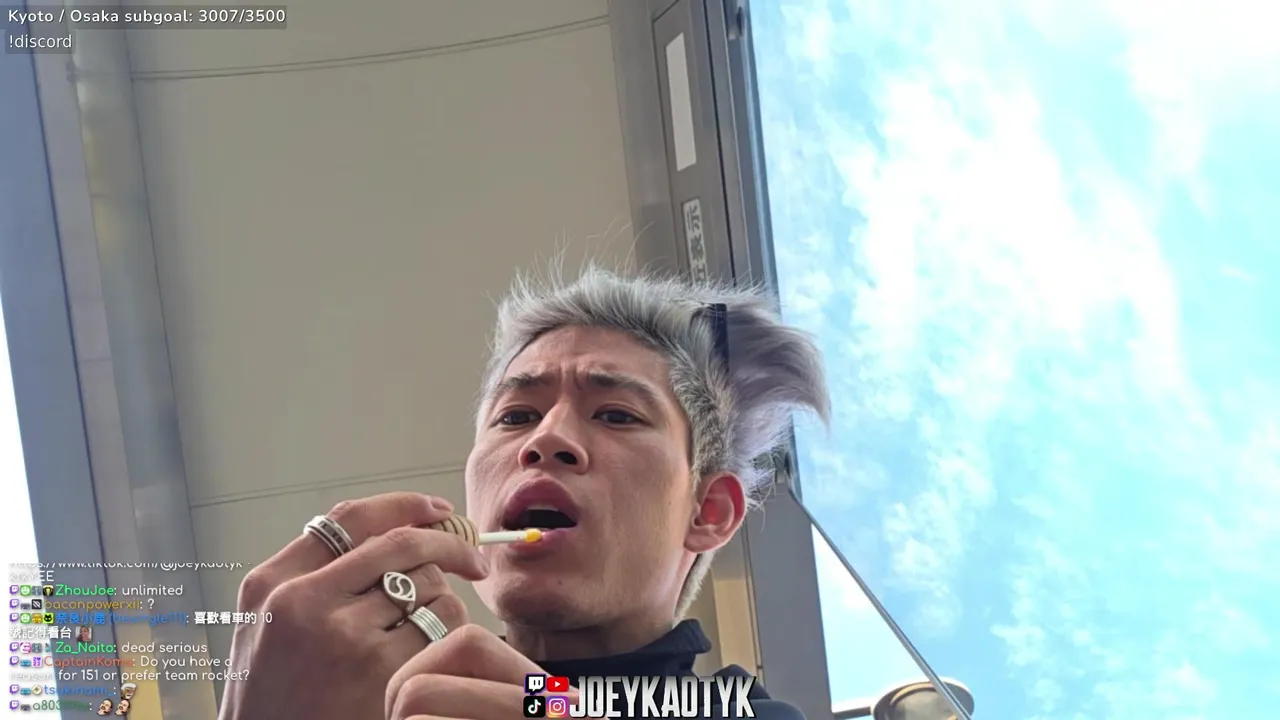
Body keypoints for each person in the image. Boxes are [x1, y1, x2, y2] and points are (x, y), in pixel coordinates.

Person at [217, 265, 829, 720]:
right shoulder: (369, 696)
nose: (547, 438)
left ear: (709, 511)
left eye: (616, 415)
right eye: (515, 416)